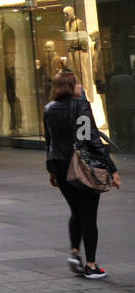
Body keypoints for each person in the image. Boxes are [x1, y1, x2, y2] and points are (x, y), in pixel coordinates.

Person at [44, 70, 121, 279]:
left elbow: (49, 141)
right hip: (82, 166)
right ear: (71, 86)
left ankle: (74, 253)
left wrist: (51, 169)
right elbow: (91, 138)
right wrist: (111, 168)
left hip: (60, 165)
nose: (81, 86)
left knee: (76, 211)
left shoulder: (49, 109)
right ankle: (91, 265)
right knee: (89, 215)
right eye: (78, 83)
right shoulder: (81, 105)